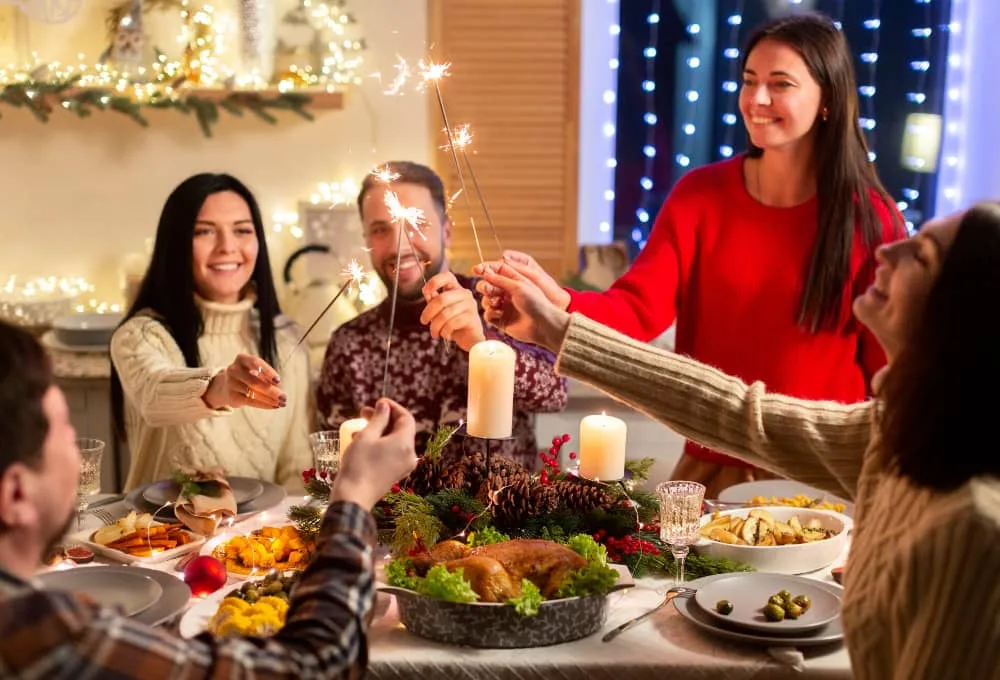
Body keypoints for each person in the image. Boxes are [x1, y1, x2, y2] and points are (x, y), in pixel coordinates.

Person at [480, 202, 1000, 679]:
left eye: (922, 256)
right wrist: (556, 328)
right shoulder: (893, 433)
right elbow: (738, 413)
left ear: (961, 316)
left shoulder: (969, 530)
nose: (890, 249)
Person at [476, 13, 903, 496]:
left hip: (824, 479)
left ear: (827, 99)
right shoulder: (700, 196)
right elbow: (636, 312)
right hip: (712, 469)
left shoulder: (870, 218)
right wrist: (559, 301)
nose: (757, 99)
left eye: (780, 84)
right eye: (749, 81)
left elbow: (886, 368)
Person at [0, 319, 419, 678]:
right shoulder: (41, 633)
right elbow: (314, 666)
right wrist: (354, 496)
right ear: (16, 494)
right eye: (68, 439)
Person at [316, 161, 567, 468]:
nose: (399, 244)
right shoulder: (348, 343)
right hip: (386, 515)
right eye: (381, 229)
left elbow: (555, 394)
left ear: (446, 231)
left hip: (495, 511)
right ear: (367, 241)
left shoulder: (500, 304)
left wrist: (481, 344)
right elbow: (331, 463)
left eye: (416, 223)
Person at [111, 173, 312, 491]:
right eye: (205, 231)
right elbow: (154, 395)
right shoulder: (142, 336)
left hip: (259, 538)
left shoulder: (286, 338)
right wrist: (220, 387)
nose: (227, 247)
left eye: (242, 230)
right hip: (160, 536)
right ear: (175, 243)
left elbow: (296, 467)